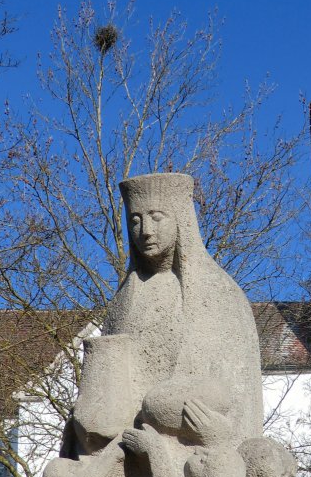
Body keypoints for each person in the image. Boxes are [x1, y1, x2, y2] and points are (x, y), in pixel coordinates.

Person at [65, 173, 263, 455]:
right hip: (126, 443)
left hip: (195, 445)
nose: (145, 231)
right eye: (135, 221)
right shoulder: (125, 298)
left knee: (158, 404)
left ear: (180, 219)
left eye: (157, 217)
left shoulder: (218, 292)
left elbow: (237, 393)